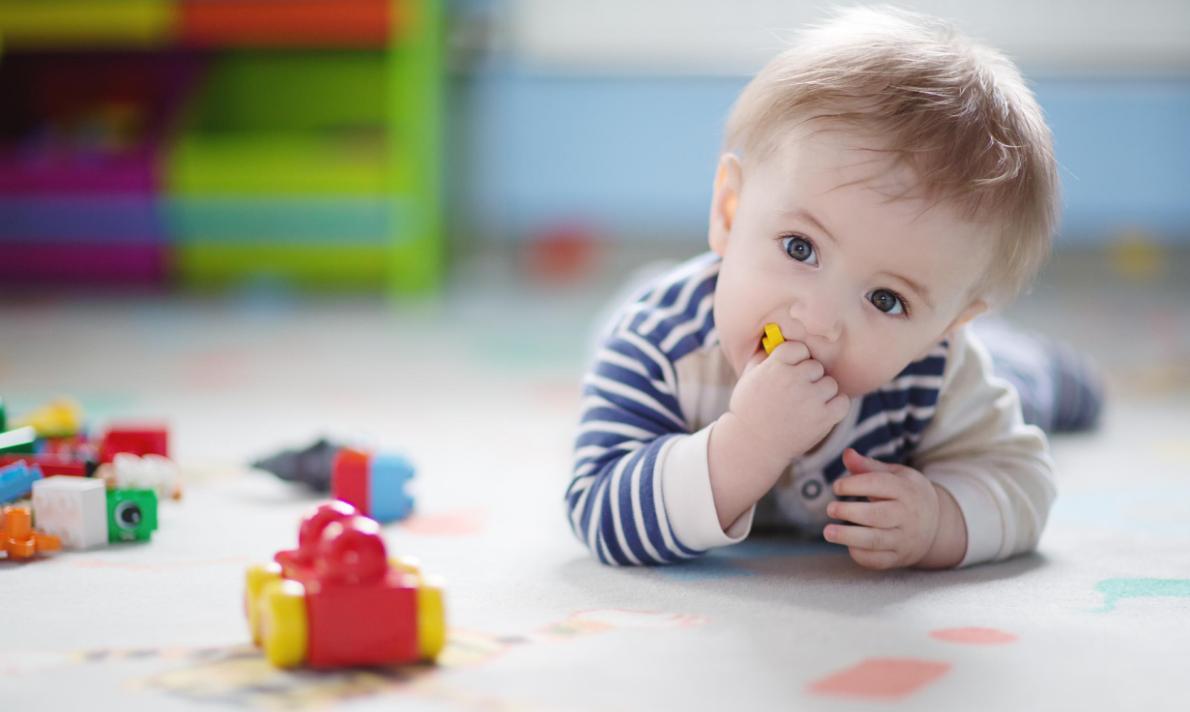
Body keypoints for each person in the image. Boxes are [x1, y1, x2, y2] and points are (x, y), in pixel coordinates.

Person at [565, 6, 1103, 570]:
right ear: (730, 209)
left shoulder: (937, 369)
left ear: (943, 327)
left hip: (985, 360)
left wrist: (939, 518)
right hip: (656, 312)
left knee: (1020, 384)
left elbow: (1022, 482)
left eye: (886, 299)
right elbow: (599, 508)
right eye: (801, 248)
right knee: (617, 328)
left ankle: (1043, 364)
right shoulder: (661, 347)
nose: (820, 321)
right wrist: (747, 444)